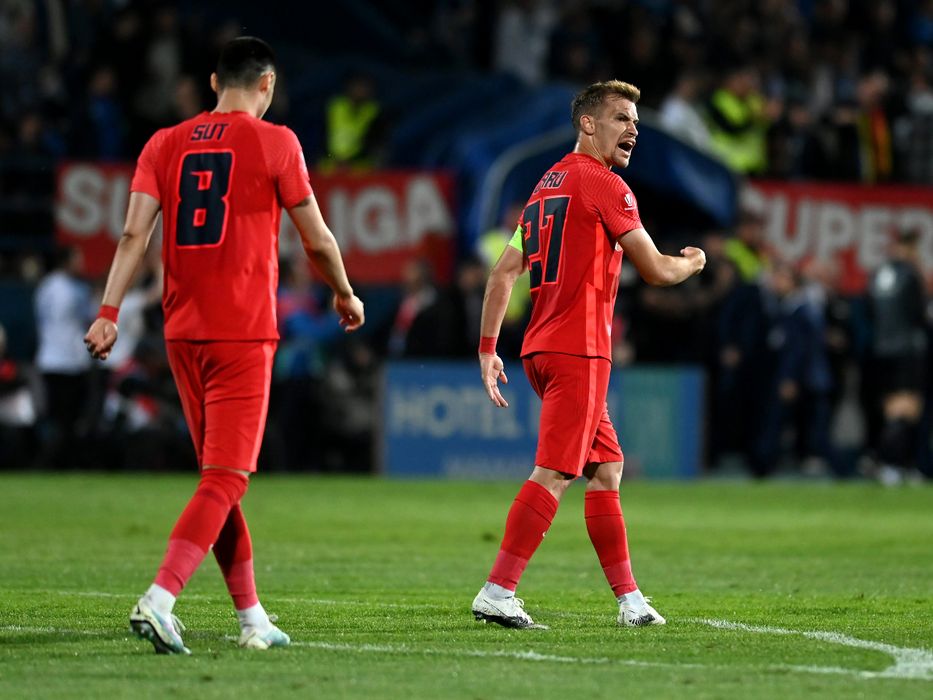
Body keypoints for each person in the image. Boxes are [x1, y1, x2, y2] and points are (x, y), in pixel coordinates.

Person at [84, 37, 365, 655]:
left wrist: (108, 312)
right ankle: (160, 598)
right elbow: (317, 239)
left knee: (219, 478)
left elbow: (133, 234)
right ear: (267, 84)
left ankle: (252, 617)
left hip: (182, 333)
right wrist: (344, 292)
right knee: (227, 479)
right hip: (241, 331)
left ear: (214, 82)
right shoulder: (276, 141)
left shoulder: (163, 143)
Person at [471, 80, 706, 629]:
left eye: (636, 121)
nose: (633, 129)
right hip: (579, 349)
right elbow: (657, 269)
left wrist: (487, 349)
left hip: (541, 348)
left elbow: (503, 274)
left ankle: (631, 602)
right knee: (555, 472)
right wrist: (693, 263)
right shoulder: (606, 185)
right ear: (587, 123)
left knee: (606, 470)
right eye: (621, 118)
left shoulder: (546, 185)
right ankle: (497, 590)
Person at [865, 227, 928, 484]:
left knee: (890, 408)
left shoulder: (879, 274)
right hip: (907, 349)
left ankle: (893, 463)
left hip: (881, 349)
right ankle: (893, 464)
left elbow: (870, 311)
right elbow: (918, 314)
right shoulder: (910, 275)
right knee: (908, 409)